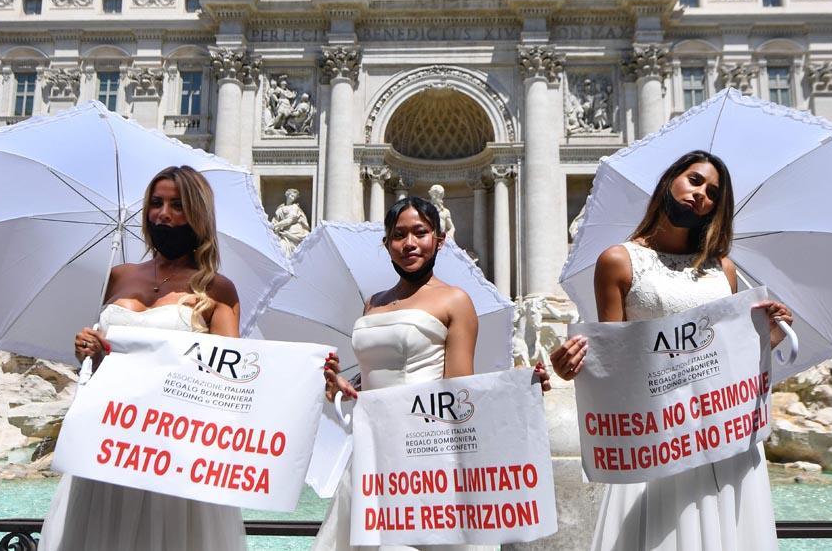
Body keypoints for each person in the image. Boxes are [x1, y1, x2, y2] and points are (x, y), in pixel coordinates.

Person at [549, 150, 791, 551]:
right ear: (670, 181)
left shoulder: (723, 268)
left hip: (724, 430)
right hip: (660, 434)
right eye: (695, 181)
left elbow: (730, 355)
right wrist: (573, 365)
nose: (701, 195)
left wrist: (768, 334)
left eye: (713, 193)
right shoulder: (618, 260)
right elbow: (613, 361)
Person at [315, 196, 549, 551]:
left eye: (420, 233)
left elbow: (459, 389)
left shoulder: (455, 300)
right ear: (387, 244)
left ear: (439, 240)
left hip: (427, 449)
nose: (409, 243)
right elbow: (377, 376)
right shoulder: (372, 303)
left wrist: (518, 390)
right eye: (399, 235)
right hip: (371, 448)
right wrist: (344, 386)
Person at [39, 165, 246, 551]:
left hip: (172, 450)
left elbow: (229, 381)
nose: (163, 215)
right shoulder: (118, 276)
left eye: (177, 205)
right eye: (155, 203)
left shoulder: (218, 289)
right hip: (108, 439)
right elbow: (105, 361)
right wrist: (88, 348)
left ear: (198, 214)